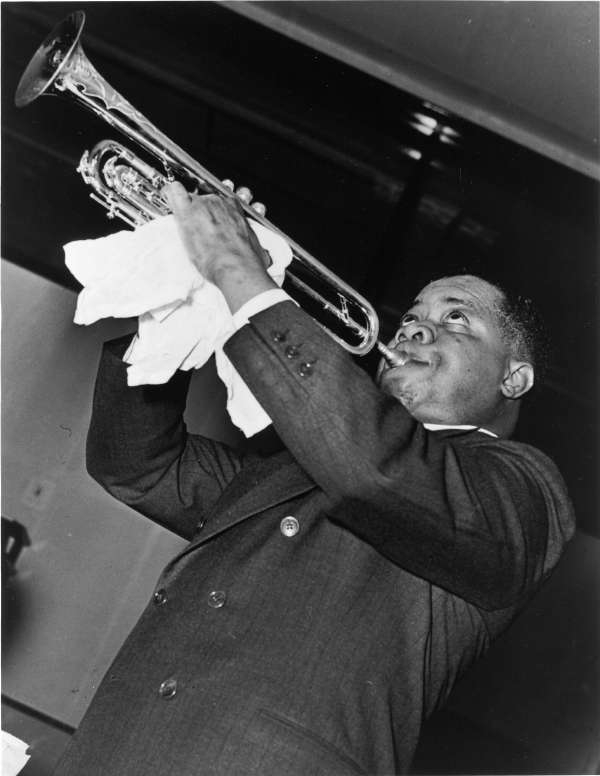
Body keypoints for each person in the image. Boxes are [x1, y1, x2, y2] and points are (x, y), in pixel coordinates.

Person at [54, 184, 575, 776]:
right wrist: (178, 300)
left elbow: (376, 469)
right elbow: (139, 465)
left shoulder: (523, 491)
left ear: (514, 379)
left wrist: (237, 269)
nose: (413, 331)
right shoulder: (297, 469)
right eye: (412, 317)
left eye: (456, 318)